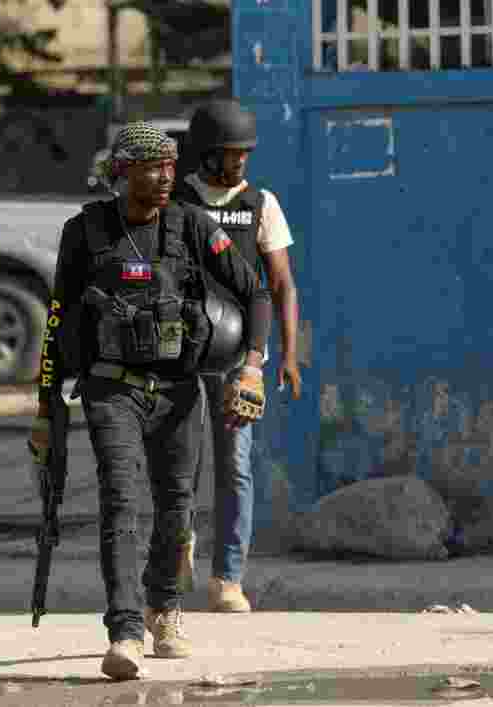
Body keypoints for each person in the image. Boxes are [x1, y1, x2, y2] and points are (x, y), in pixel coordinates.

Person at [29, 122, 272, 680]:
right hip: (111, 387)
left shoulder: (191, 225)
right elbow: (59, 318)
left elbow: (253, 289)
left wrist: (252, 368)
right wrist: (46, 408)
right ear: (123, 171)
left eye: (169, 166)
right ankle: (125, 628)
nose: (165, 178)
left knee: (177, 505)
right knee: (119, 500)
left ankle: (164, 607)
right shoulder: (86, 231)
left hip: (180, 389)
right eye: (151, 167)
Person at [175, 100, 302, 613]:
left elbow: (282, 284)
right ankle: (176, 546)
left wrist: (287, 355)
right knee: (179, 461)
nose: (240, 165)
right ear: (205, 156)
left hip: (238, 358)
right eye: (230, 156)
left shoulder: (260, 204)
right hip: (180, 351)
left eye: (244, 155)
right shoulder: (176, 200)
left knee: (236, 467)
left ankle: (227, 577)